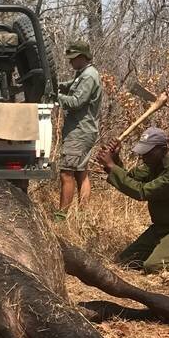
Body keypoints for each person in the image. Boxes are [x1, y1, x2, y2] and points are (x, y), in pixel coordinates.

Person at [97, 127, 169, 274]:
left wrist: (111, 166)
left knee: (154, 266)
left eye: (147, 153)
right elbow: (130, 179)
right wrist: (114, 161)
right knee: (127, 261)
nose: (143, 157)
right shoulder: (153, 163)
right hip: (162, 227)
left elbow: (142, 192)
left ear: (161, 149)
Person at [56, 40, 102, 218]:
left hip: (80, 131)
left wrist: (56, 96)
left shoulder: (89, 76)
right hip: (82, 130)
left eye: (73, 58)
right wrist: (58, 85)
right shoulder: (82, 74)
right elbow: (71, 84)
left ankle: (61, 216)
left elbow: (76, 102)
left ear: (83, 57)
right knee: (81, 173)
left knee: (67, 172)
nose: (70, 62)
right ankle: (83, 216)